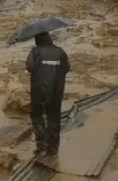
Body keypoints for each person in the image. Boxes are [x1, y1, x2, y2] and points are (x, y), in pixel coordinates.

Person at [26, 31, 70, 160]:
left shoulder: (35, 51)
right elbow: (67, 68)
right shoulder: (61, 52)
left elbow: (29, 66)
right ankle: (53, 149)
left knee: (37, 115)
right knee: (54, 117)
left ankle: (41, 144)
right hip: (56, 90)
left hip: (38, 90)